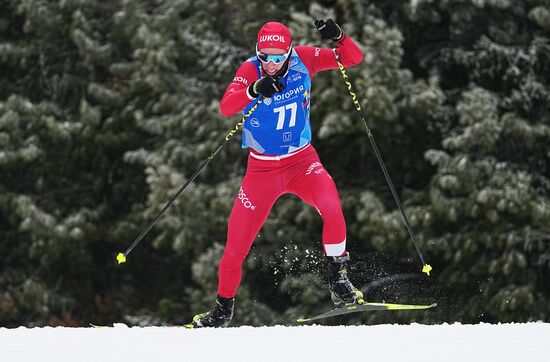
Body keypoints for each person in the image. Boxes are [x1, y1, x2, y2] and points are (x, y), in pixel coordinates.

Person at [187, 19, 364, 328]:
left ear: (289, 51)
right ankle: (221, 311)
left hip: (302, 162)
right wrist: (254, 89)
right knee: (234, 248)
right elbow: (227, 106)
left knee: (333, 207)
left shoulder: (305, 59)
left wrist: (338, 37)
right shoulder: (250, 70)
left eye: (277, 56)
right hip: (262, 171)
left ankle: (338, 279)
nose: (270, 63)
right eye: (264, 55)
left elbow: (353, 58)